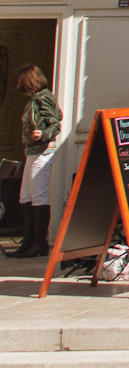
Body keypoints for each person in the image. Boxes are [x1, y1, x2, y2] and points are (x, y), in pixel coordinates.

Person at [9, 64, 59, 258]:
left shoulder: (43, 97)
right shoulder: (36, 98)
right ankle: (30, 241)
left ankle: (39, 243)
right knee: (25, 196)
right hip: (32, 151)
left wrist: (44, 133)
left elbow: (55, 122)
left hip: (42, 151)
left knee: (38, 195)